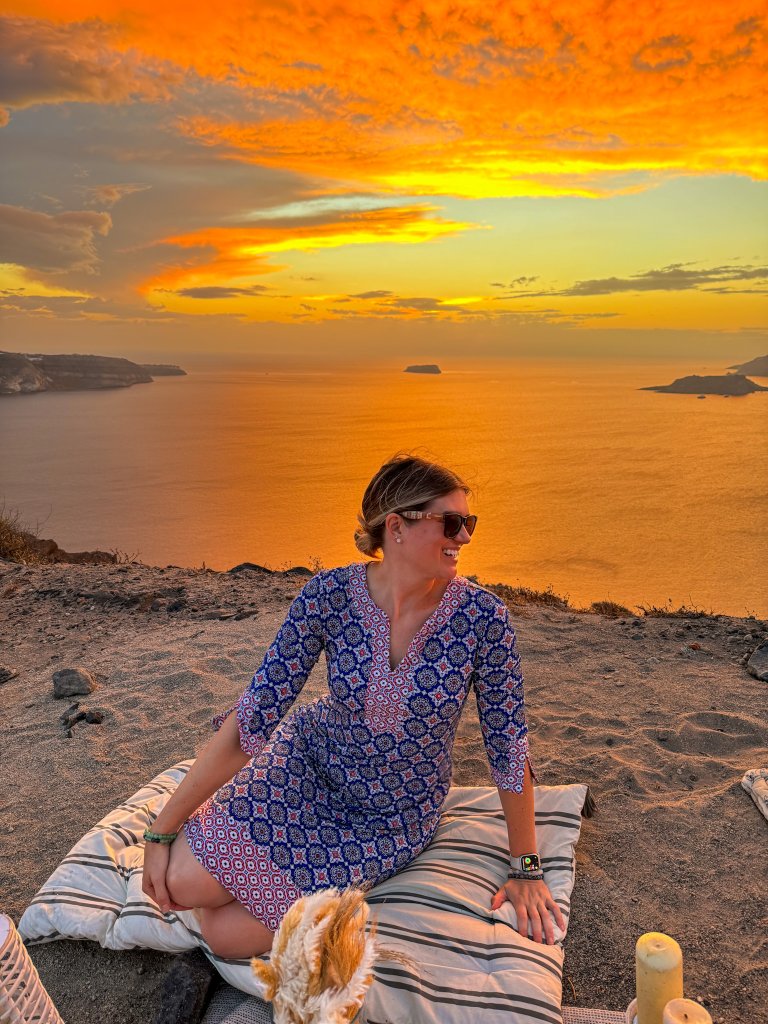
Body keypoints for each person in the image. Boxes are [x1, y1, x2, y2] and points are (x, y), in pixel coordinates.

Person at [142, 454, 565, 957]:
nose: (465, 537)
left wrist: (526, 868)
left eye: (469, 522)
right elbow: (256, 712)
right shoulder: (328, 596)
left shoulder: (484, 620)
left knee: (224, 936)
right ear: (397, 527)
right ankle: (229, 840)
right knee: (183, 882)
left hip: (389, 815)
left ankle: (258, 865)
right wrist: (161, 830)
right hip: (308, 763)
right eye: (451, 523)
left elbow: (508, 747)